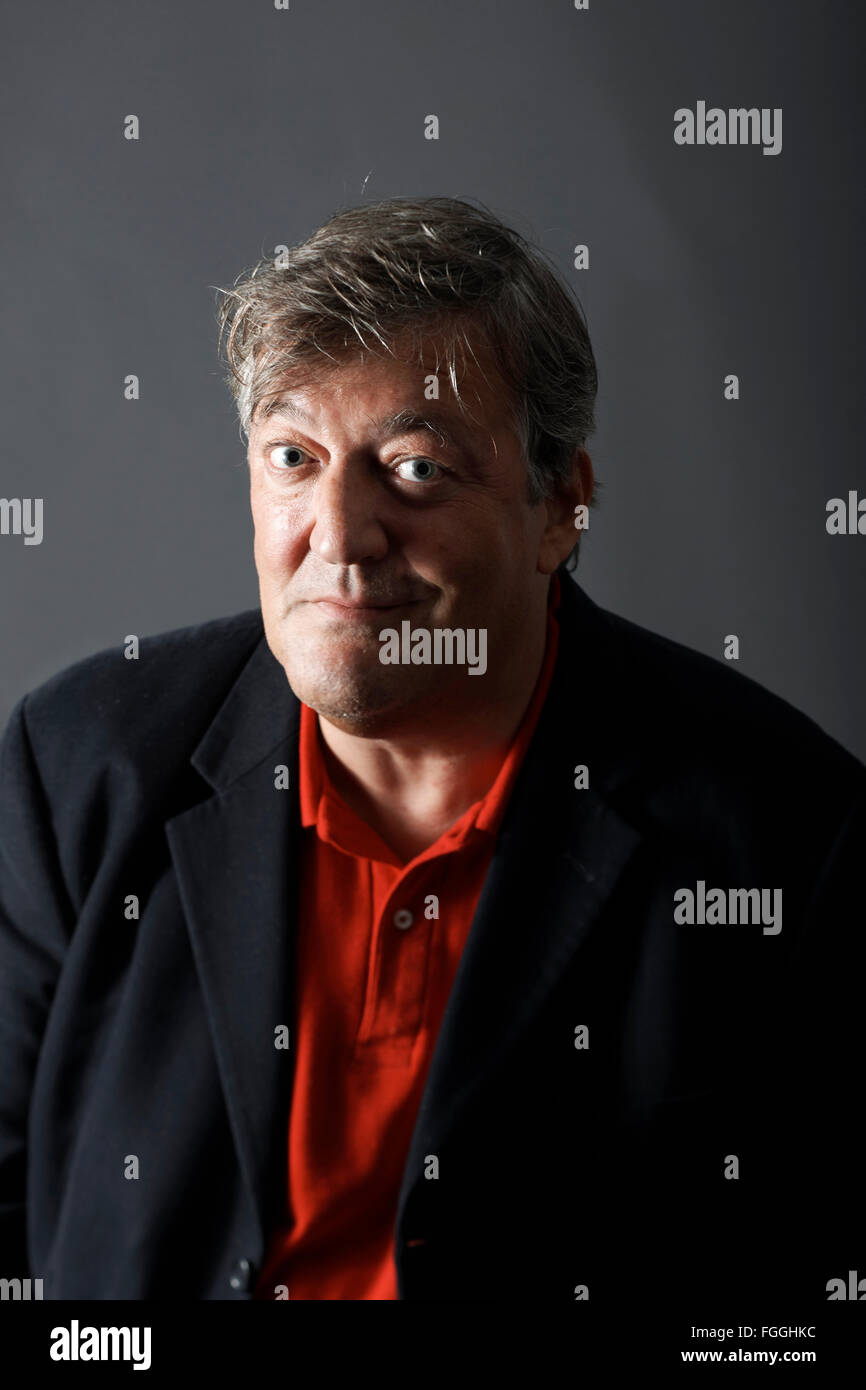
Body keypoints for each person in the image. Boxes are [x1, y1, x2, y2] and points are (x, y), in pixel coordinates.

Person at [0, 196, 862, 1307]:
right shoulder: (76, 768)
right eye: (293, 455)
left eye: (413, 468)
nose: (340, 536)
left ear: (560, 507)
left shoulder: (787, 834)